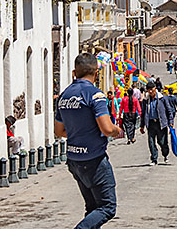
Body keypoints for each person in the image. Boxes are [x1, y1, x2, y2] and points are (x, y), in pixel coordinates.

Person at [55, 53, 124, 229]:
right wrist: (117, 130)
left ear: (74, 72)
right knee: (107, 207)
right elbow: (107, 129)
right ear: (96, 73)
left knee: (92, 208)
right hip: (94, 159)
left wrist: (78, 132)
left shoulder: (64, 96)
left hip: (74, 159)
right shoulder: (95, 95)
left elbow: (59, 131)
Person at [140, 81, 175, 165]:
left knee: (162, 142)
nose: (150, 91)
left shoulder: (162, 98)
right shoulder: (146, 100)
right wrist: (142, 126)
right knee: (151, 142)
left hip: (161, 123)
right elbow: (143, 113)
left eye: (151, 89)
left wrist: (170, 122)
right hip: (151, 123)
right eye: (148, 90)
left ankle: (165, 155)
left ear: (155, 88)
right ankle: (154, 159)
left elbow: (169, 111)